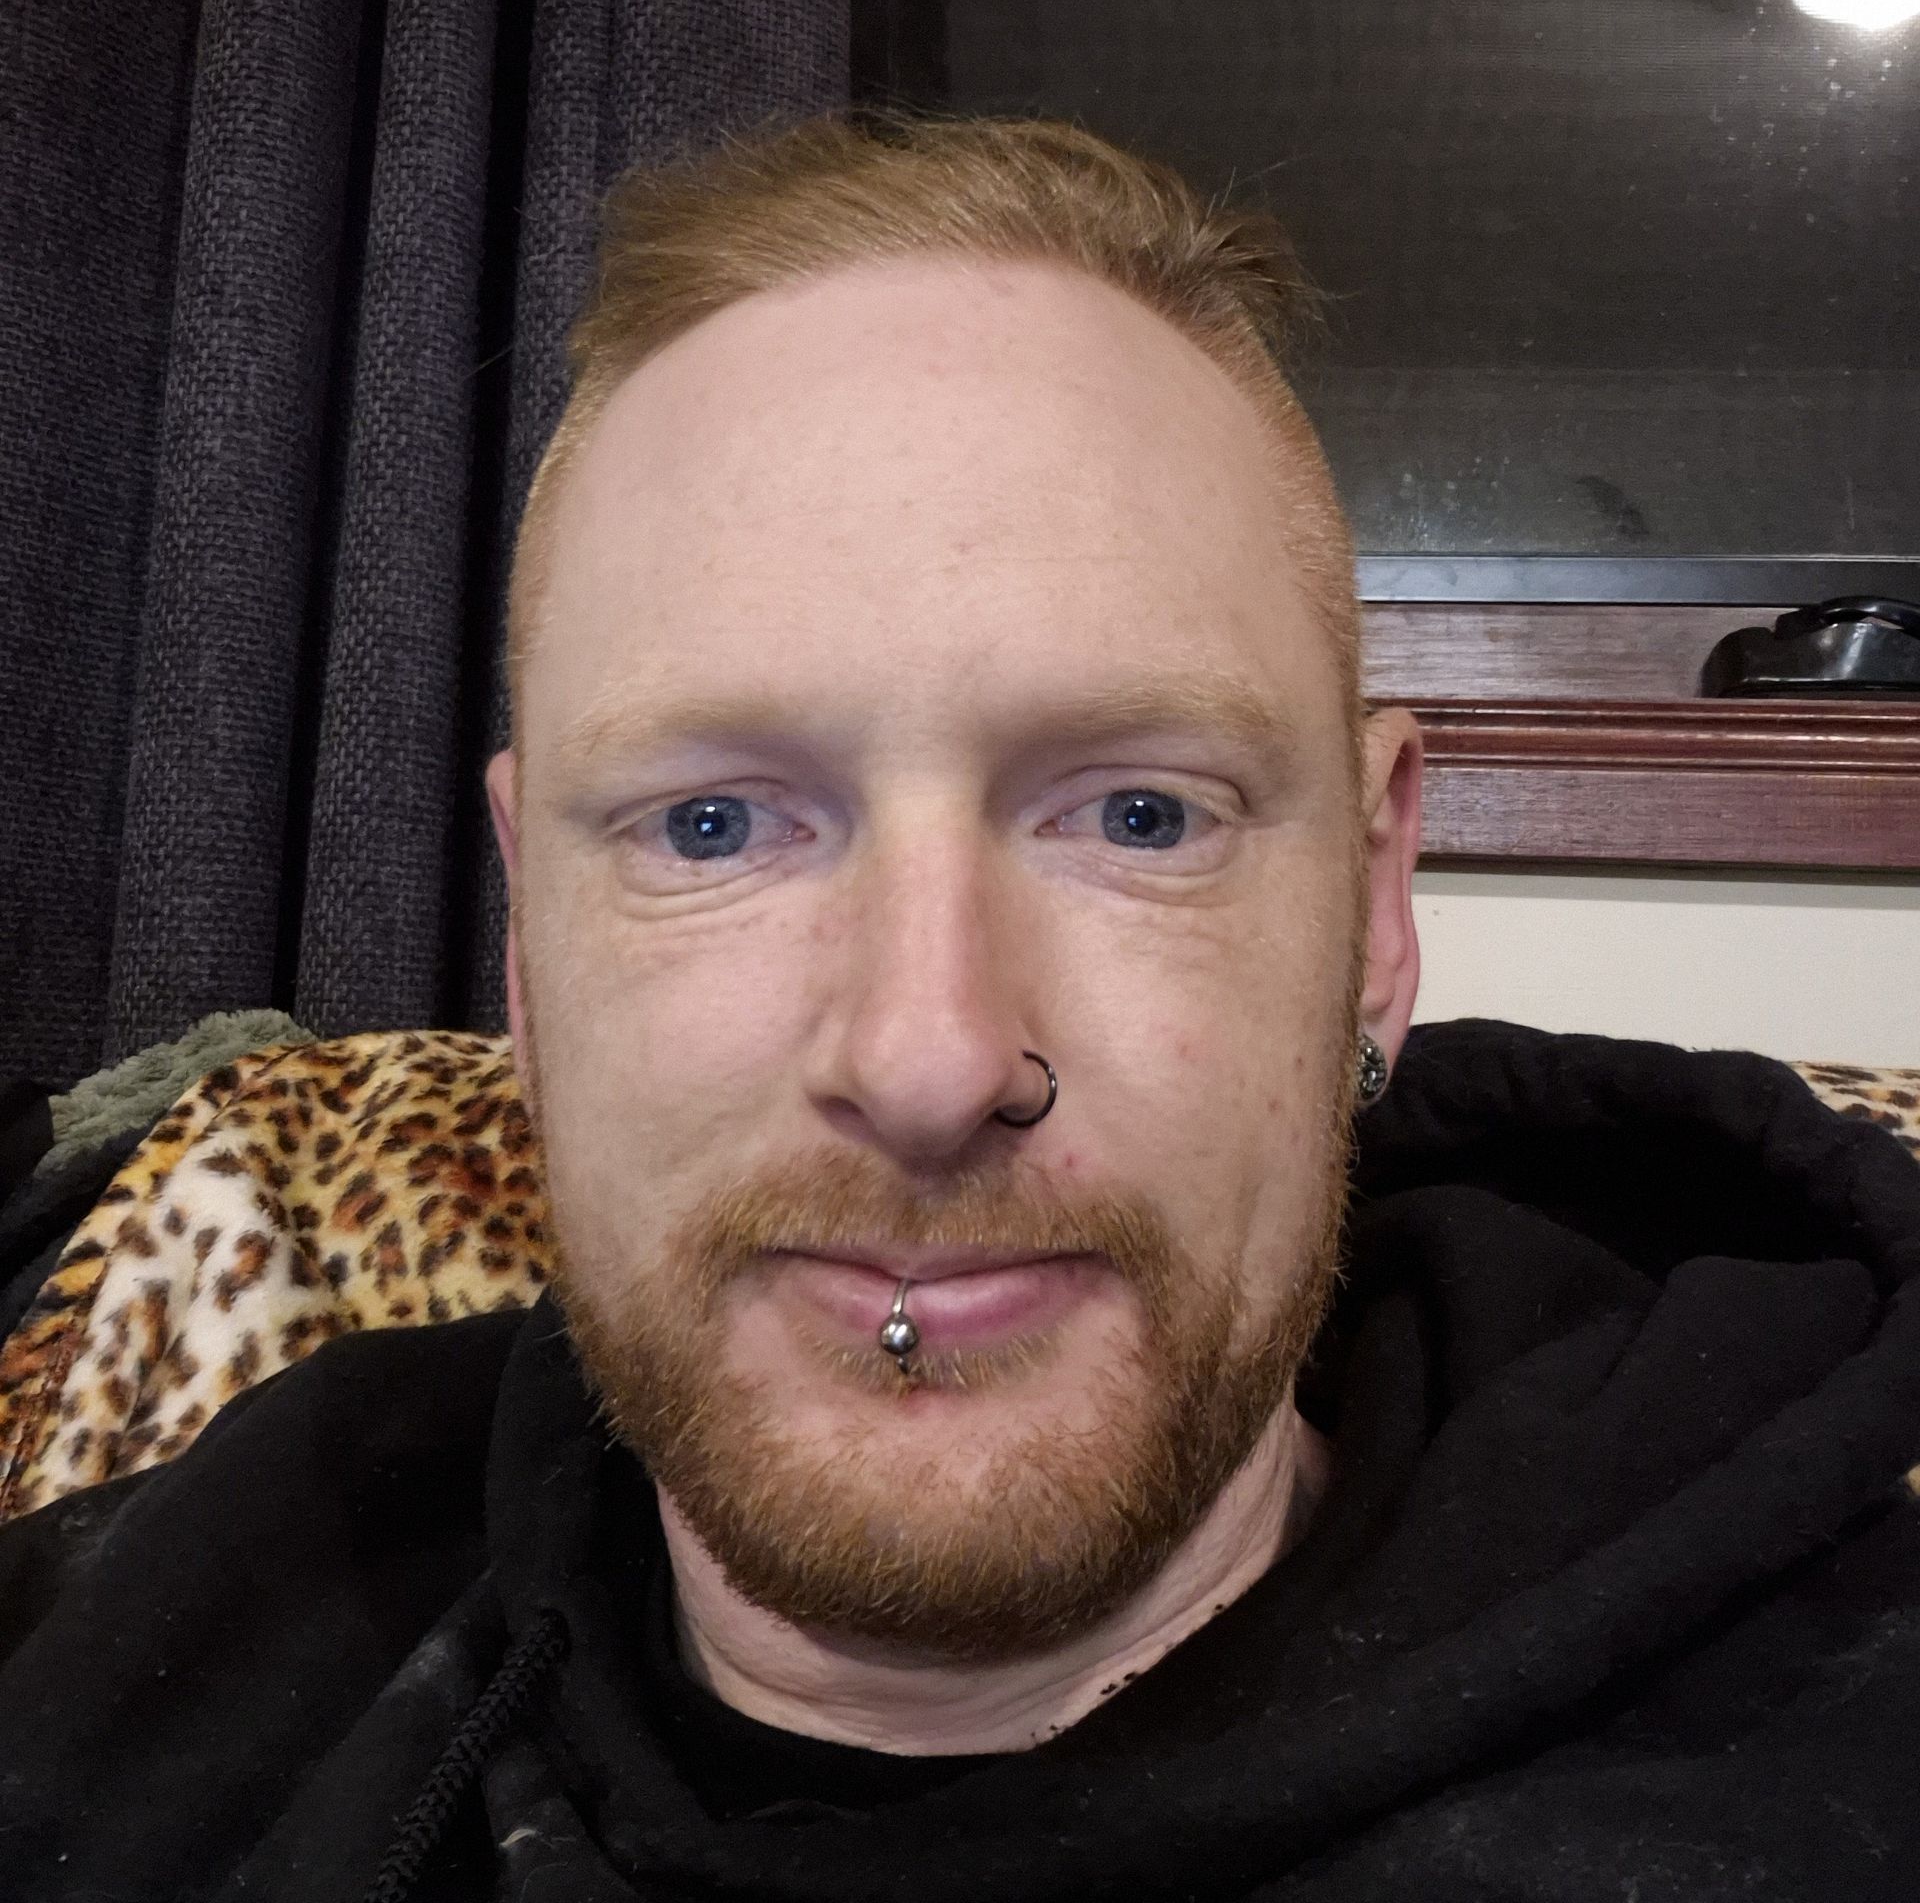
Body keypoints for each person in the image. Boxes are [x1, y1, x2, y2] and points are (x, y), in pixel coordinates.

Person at [1, 110, 1917, 1903]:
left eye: (1141, 815)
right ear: (529, 942)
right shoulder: (162, 1622)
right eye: (714, 823)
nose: (928, 1061)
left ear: (1374, 910)